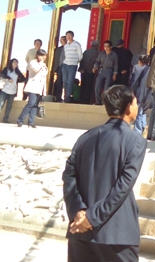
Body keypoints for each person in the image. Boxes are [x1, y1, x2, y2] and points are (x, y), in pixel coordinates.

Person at [62, 85, 146, 262]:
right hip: (117, 233)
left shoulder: (86, 137)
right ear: (128, 107)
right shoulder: (134, 141)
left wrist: (78, 211)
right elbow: (122, 187)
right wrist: (91, 218)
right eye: (135, 103)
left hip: (80, 230)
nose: (137, 107)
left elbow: (69, 176)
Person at [17, 50, 48, 128]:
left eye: (44, 56)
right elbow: (35, 70)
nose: (44, 57)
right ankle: (20, 120)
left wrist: (44, 90)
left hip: (40, 88)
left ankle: (31, 122)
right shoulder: (33, 62)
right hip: (33, 86)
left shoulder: (44, 65)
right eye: (42, 55)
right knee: (31, 103)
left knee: (35, 105)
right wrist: (41, 64)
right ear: (38, 55)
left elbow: (44, 77)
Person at [130, 55, 151, 135]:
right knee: (143, 110)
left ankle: (138, 129)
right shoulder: (150, 69)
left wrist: (132, 91)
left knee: (138, 111)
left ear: (140, 61)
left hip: (138, 91)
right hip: (147, 92)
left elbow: (133, 80)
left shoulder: (136, 68)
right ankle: (143, 126)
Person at [93, 41, 118, 105]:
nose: (106, 48)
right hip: (101, 70)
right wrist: (95, 67)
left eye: (107, 46)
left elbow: (116, 65)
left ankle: (104, 102)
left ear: (111, 47)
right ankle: (98, 102)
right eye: (104, 46)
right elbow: (97, 61)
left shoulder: (114, 54)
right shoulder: (101, 53)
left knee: (106, 88)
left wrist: (115, 74)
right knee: (97, 86)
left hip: (109, 71)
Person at [62, 31, 83, 103]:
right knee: (65, 81)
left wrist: (76, 61)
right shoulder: (66, 46)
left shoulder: (77, 44)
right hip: (65, 64)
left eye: (69, 35)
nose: (68, 37)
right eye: (67, 36)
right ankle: (65, 95)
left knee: (70, 81)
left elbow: (80, 55)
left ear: (72, 36)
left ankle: (67, 97)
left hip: (73, 65)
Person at [52, 36, 67, 102]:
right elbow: (55, 59)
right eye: (60, 40)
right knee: (59, 82)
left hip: (66, 67)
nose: (61, 41)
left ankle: (65, 97)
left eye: (63, 40)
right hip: (59, 67)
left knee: (65, 83)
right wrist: (55, 68)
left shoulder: (69, 48)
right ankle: (57, 97)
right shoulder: (58, 49)